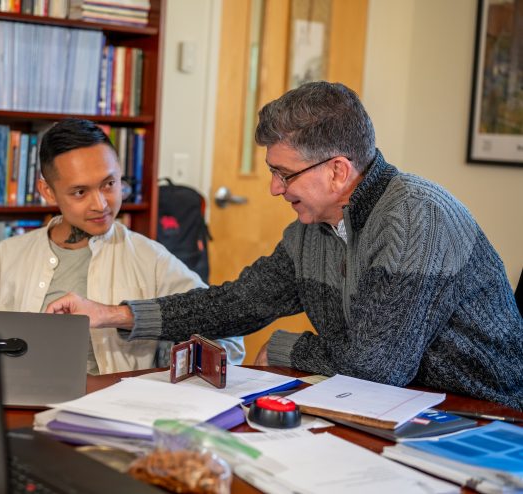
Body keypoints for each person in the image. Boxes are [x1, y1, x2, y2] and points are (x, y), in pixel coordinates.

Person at [47, 82, 523, 410]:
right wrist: (115, 315)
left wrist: (288, 346)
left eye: (285, 174)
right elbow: (236, 303)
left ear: (337, 171)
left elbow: (374, 371)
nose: (275, 189)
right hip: (399, 408)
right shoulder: (310, 230)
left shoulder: (416, 218)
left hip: (483, 415)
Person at [0, 118, 244, 374]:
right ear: (47, 191)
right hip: (20, 404)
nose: (101, 204)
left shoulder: (151, 260)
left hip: (112, 409)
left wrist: (170, 364)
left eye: (109, 184)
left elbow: (229, 339)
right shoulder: (5, 257)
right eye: (80, 192)